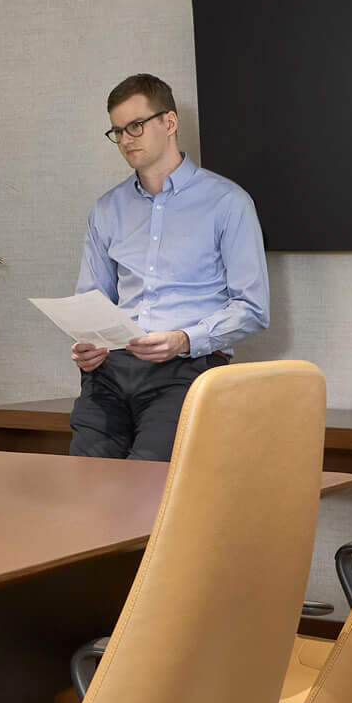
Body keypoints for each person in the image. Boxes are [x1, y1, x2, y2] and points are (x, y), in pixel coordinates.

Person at [69, 73, 270, 461]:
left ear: (170, 122)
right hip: (109, 372)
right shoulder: (106, 210)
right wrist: (85, 346)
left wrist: (184, 339)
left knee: (147, 487)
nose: (126, 139)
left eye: (136, 126)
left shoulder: (228, 202)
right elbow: (91, 300)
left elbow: (253, 309)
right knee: (84, 485)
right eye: (117, 131)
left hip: (186, 371)